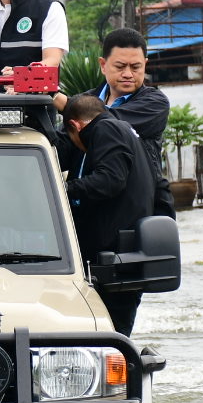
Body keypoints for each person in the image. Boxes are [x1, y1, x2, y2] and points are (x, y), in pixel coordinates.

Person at [63, 94, 154, 336]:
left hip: (116, 258)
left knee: (111, 337)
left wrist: (63, 190)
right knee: (114, 335)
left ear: (75, 125)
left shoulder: (105, 130)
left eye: (72, 139)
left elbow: (110, 180)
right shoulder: (125, 129)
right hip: (124, 254)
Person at [79, 27, 174, 217]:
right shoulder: (84, 100)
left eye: (135, 67)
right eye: (120, 67)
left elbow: (108, 123)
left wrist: (65, 104)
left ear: (145, 65)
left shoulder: (154, 103)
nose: (128, 74)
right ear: (103, 65)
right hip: (86, 207)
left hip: (139, 211)